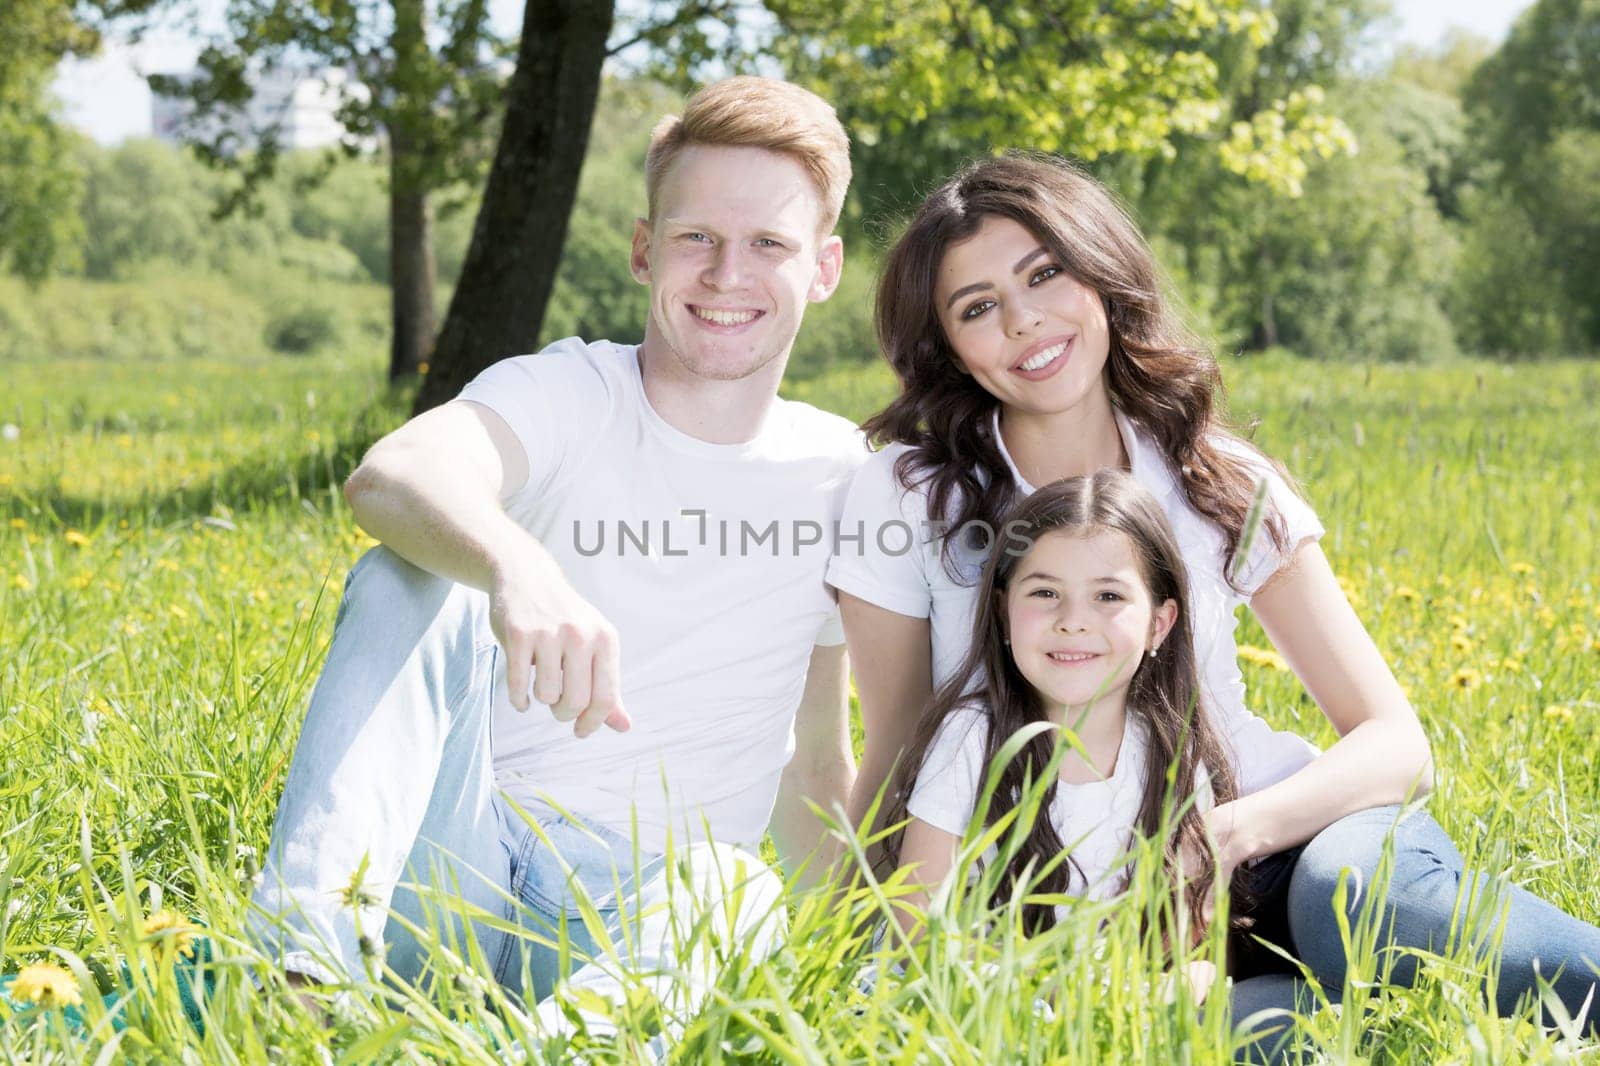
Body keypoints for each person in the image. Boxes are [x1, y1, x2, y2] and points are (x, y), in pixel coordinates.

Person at [826, 152, 1600, 1056]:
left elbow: (1398, 742)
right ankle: (1314, 1010)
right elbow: (899, 755)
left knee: (1351, 898)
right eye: (977, 307)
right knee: (1209, 1035)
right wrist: (843, 961)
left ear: (1102, 272)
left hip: (1277, 845)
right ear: (949, 345)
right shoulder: (912, 496)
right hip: (1077, 916)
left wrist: (1227, 834)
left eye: (1045, 273)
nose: (1023, 318)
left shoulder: (1213, 474)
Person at [247, 76, 866, 1050]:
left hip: (642, 926)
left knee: (740, 887)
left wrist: (870, 965)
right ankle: (298, 984)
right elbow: (391, 474)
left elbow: (822, 762)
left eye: (769, 245)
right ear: (641, 248)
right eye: (695, 237)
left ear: (823, 268)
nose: (725, 274)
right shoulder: (569, 391)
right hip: (459, 870)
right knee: (412, 575)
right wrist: (514, 566)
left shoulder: (841, 475)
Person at [883, 470, 1237, 1001]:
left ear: (1158, 625)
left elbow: (1183, 931)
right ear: (1004, 612)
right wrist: (1068, 990)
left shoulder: (1170, 749)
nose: (1073, 621)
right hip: (974, 1001)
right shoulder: (972, 739)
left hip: (1110, 1003)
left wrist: (1164, 982)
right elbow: (916, 928)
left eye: (1108, 596)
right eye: (1045, 592)